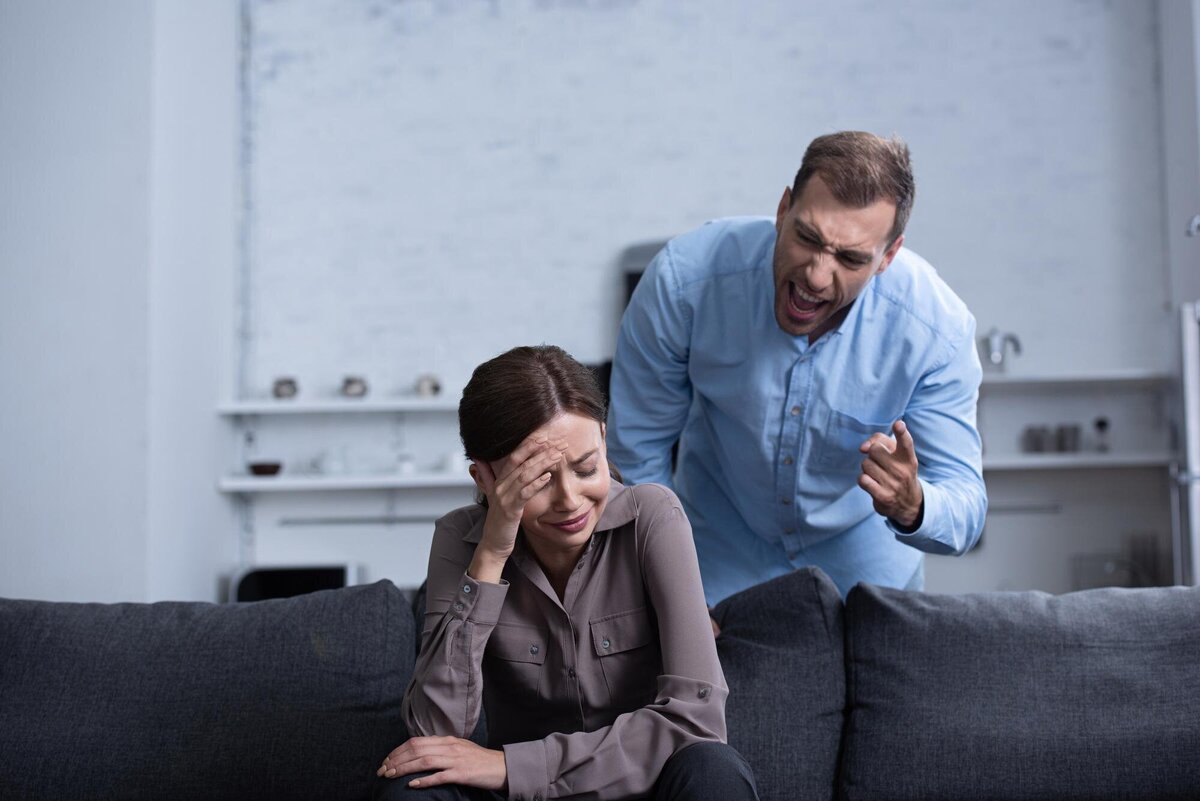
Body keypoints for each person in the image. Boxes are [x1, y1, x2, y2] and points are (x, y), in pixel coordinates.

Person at [608, 131, 986, 604]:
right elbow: (637, 455)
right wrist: (670, 588)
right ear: (783, 209)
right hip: (716, 560)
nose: (816, 276)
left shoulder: (936, 330)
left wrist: (914, 505)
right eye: (808, 237)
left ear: (888, 256)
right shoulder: (685, 281)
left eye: (850, 258)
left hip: (868, 573)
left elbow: (966, 508)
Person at [376, 346, 759, 801]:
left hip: (639, 788)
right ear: (484, 479)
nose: (570, 501)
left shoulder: (653, 519)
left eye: (586, 468)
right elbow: (435, 733)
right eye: (537, 482)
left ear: (603, 439)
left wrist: (513, 766)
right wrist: (491, 554)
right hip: (519, 796)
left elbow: (698, 720)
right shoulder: (459, 538)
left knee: (713, 768)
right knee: (412, 787)